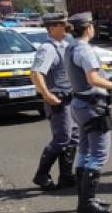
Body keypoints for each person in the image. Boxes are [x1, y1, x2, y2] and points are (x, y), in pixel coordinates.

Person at [66, 13, 112, 213]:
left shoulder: (70, 47)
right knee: (99, 154)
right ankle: (86, 203)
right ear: (88, 28)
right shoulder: (85, 51)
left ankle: (84, 199)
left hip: (79, 104)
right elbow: (93, 79)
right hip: (93, 107)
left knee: (84, 151)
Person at [29, 12, 79, 192]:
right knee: (62, 138)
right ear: (51, 28)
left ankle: (66, 176)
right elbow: (36, 73)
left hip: (71, 98)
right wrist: (46, 94)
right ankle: (41, 174)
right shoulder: (47, 48)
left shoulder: (68, 43)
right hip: (59, 100)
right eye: (62, 24)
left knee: (73, 138)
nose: (66, 27)